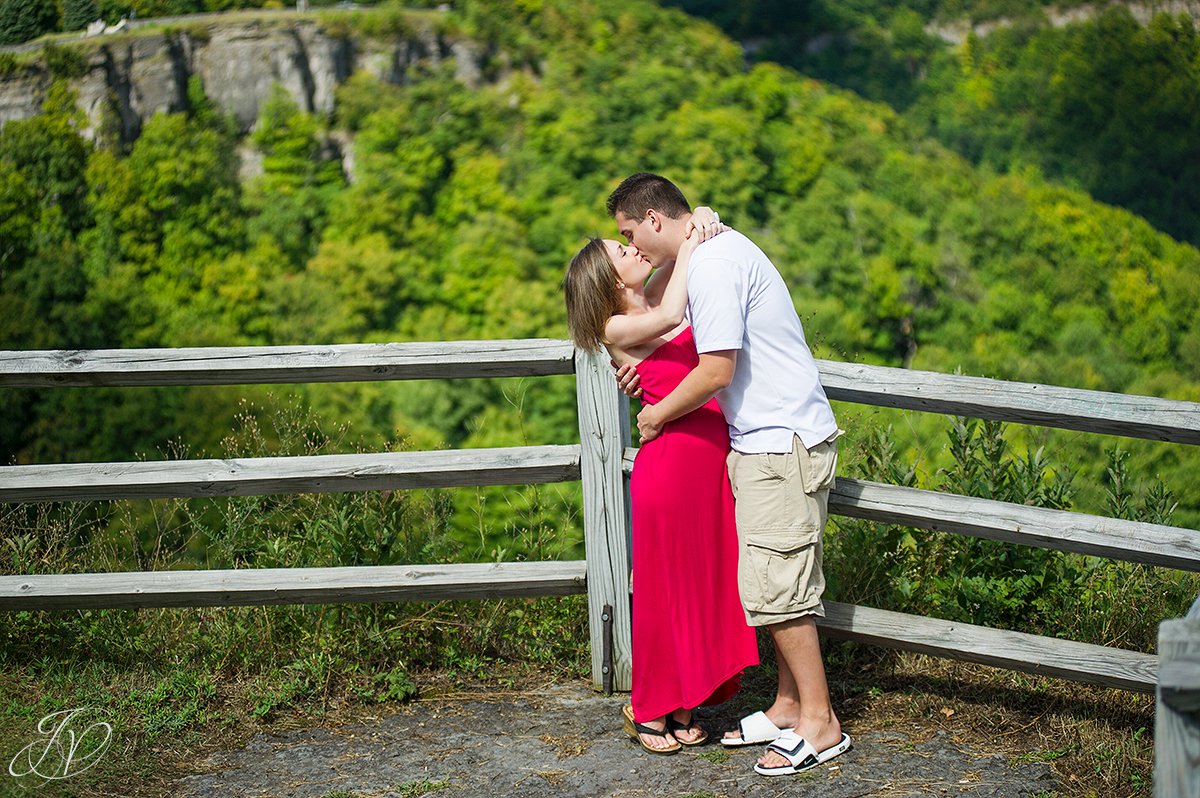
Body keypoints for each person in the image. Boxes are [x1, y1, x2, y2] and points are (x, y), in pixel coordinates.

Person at [607, 173, 852, 777]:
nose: (632, 245)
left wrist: (655, 413)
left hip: (776, 443)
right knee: (770, 583)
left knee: (782, 590)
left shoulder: (713, 263)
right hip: (759, 444)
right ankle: (790, 705)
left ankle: (821, 725)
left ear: (655, 221)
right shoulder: (710, 254)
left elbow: (716, 370)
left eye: (629, 232)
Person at [563, 211, 759, 756]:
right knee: (664, 591)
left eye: (628, 243)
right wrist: (693, 242)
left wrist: (699, 220)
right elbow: (676, 304)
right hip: (670, 467)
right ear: (608, 281)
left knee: (701, 581)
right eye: (621, 252)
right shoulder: (616, 326)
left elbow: (672, 260)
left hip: (706, 461)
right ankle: (650, 708)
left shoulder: (649, 304)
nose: (634, 251)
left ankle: (685, 704)